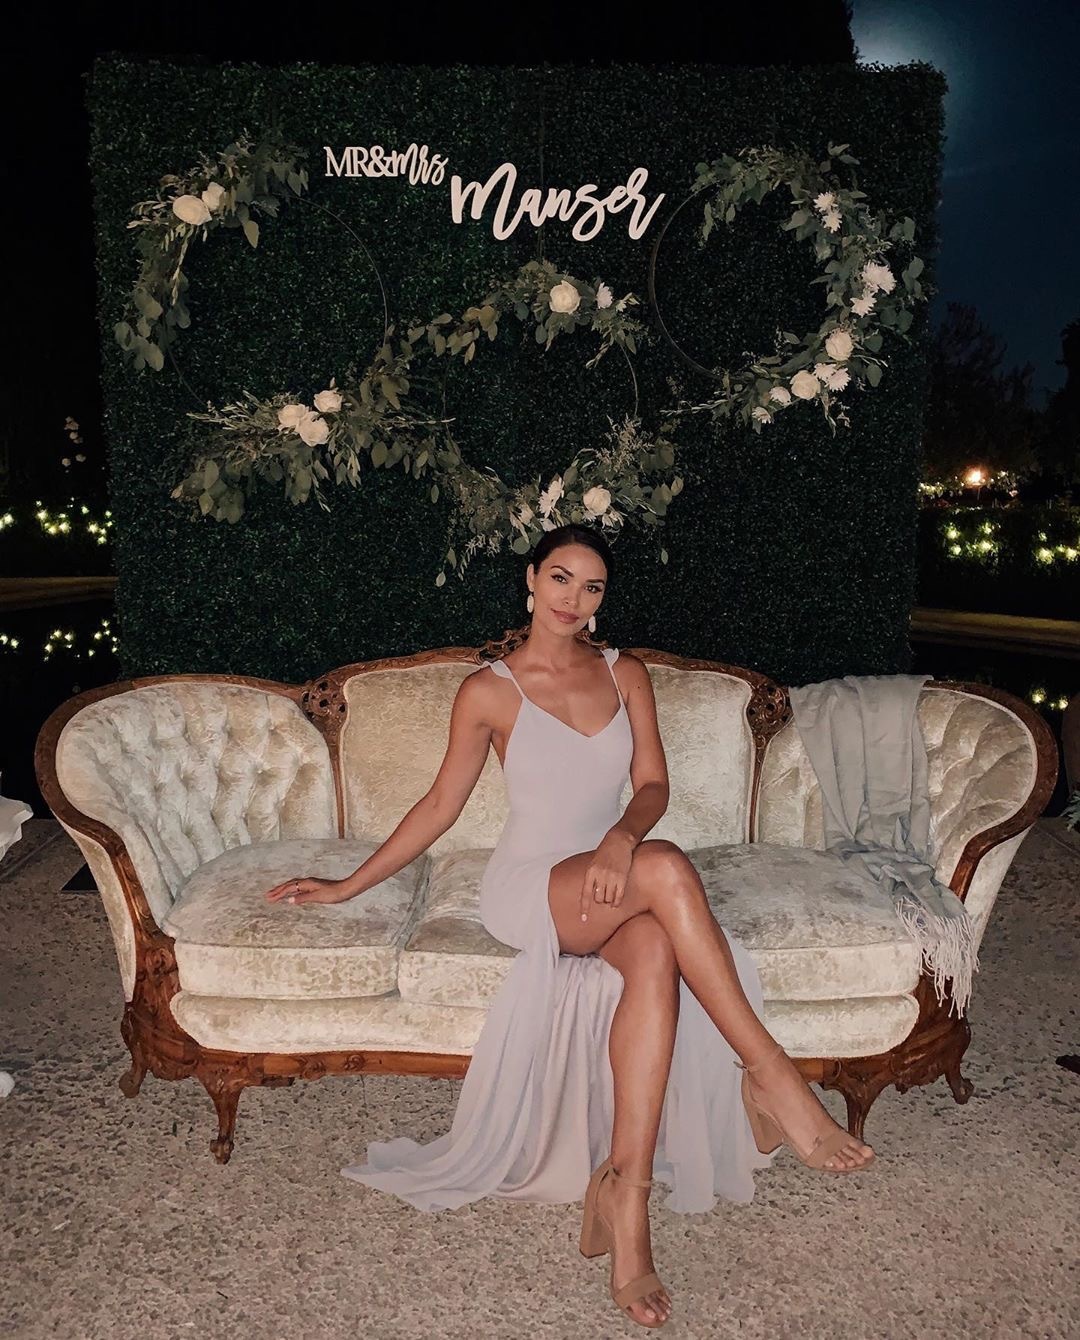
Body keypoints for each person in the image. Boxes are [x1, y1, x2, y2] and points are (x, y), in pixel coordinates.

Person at [265, 523, 874, 1329]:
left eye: (591, 587)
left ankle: (626, 1201)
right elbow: (441, 805)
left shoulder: (626, 673)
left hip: (615, 876)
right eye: (560, 578)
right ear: (530, 579)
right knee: (668, 869)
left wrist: (621, 838)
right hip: (534, 885)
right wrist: (347, 886)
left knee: (653, 946)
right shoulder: (489, 691)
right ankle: (771, 1075)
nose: (573, 599)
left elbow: (652, 786)